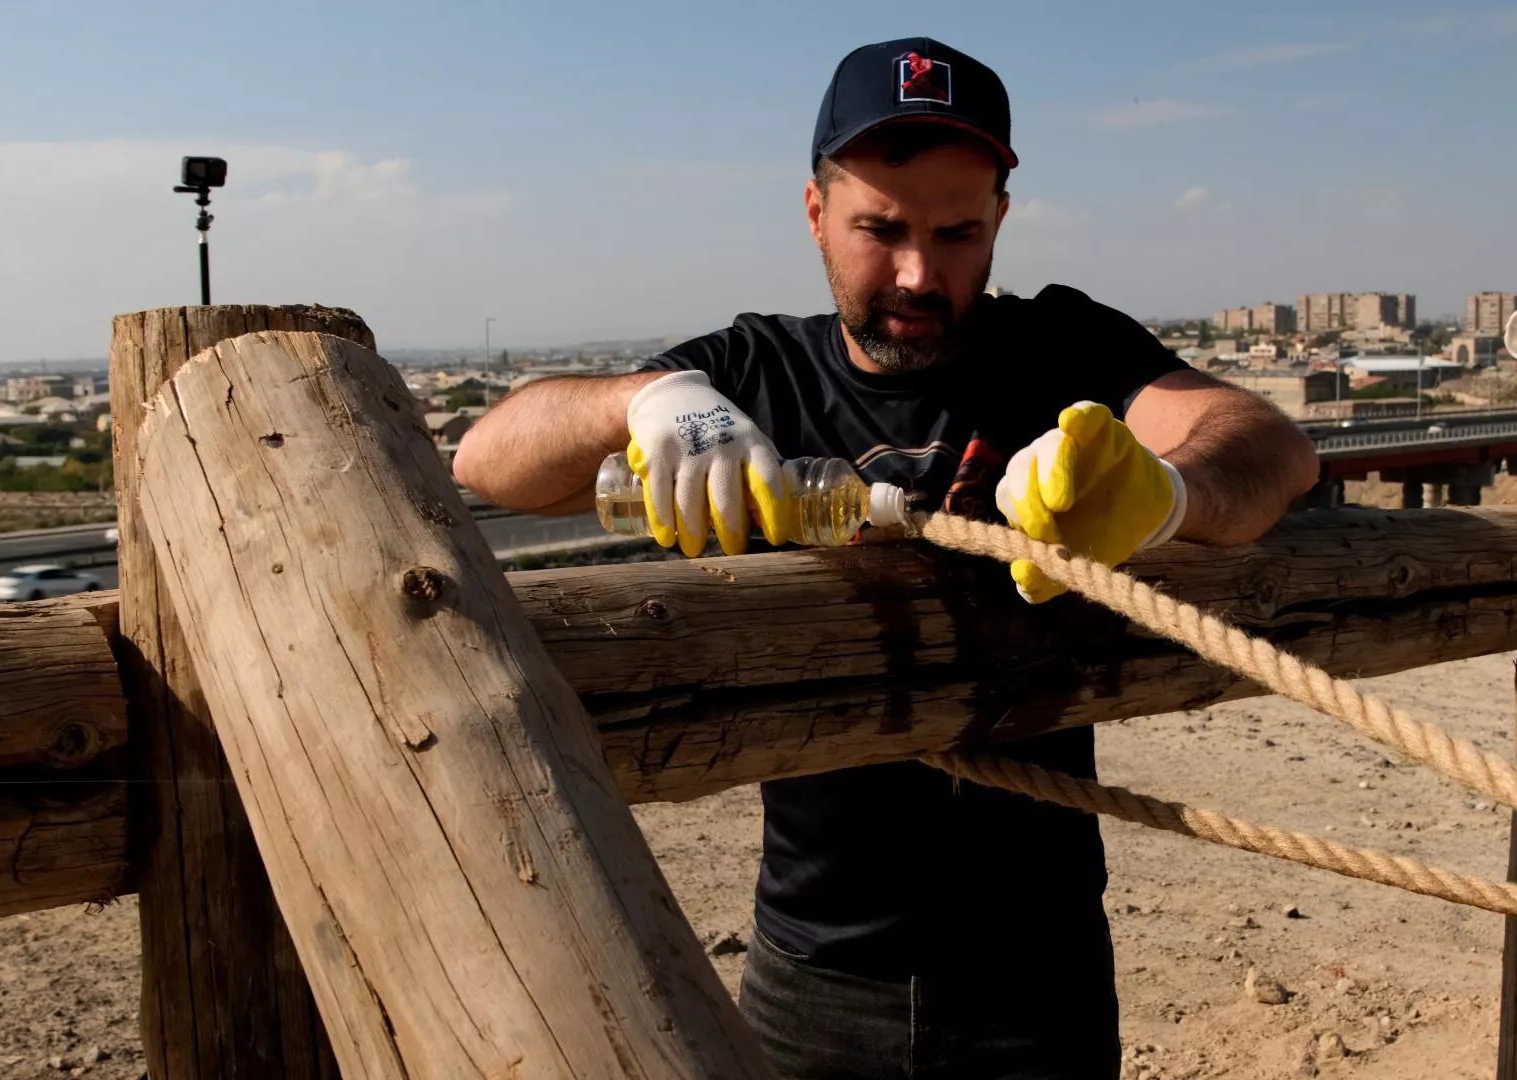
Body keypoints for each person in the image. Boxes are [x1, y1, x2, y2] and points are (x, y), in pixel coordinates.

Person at [453, 35, 1320, 1080]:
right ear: (815, 214)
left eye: (957, 232)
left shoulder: (1060, 350)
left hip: (1034, 970)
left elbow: (1271, 446)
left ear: (1001, 215)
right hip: (811, 964)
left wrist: (1166, 492)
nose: (918, 272)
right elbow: (489, 458)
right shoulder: (750, 370)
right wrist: (639, 398)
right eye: (880, 228)